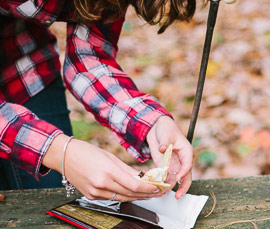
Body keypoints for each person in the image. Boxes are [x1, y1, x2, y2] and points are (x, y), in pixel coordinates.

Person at [0, 0, 196, 201]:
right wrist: (59, 151)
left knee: (52, 201)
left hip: (26, 72)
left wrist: (151, 122)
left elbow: (89, 55)